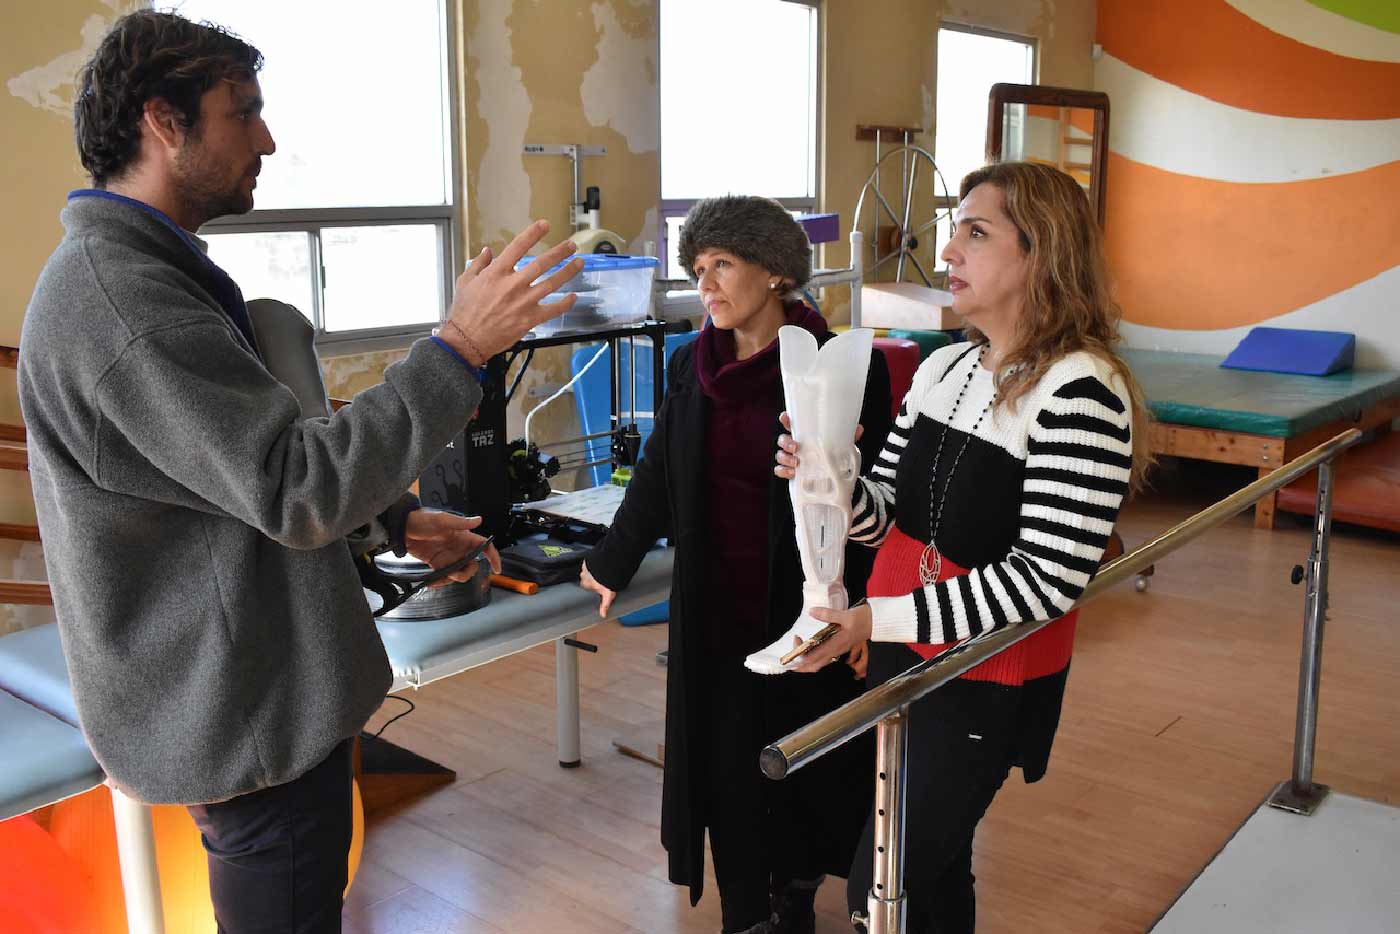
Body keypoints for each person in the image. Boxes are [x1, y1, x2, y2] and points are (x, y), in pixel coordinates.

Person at [17, 11, 582, 932]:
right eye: (245, 112)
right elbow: (294, 486)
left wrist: (391, 520)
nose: (268, 139)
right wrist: (459, 347)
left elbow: (225, 473)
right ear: (164, 121)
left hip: (255, 694)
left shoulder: (143, 275)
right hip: (245, 717)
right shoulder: (127, 305)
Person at [775, 162, 1151, 933]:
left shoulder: (1081, 390)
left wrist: (876, 620)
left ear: (1041, 255)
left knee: (878, 890)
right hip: (901, 650)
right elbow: (884, 517)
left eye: (976, 234)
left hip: (986, 675)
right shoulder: (945, 367)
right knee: (936, 873)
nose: (948, 252)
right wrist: (831, 475)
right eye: (956, 231)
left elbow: (1046, 581)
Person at [579, 195, 892, 934]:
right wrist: (613, 560)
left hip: (803, 606)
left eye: (721, 264)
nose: (706, 284)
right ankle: (747, 912)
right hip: (714, 614)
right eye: (697, 269)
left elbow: (879, 503)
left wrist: (865, 618)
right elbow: (658, 470)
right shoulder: (693, 365)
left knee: (806, 763)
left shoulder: (842, 368)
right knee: (726, 772)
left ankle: (797, 896)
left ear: (776, 270)